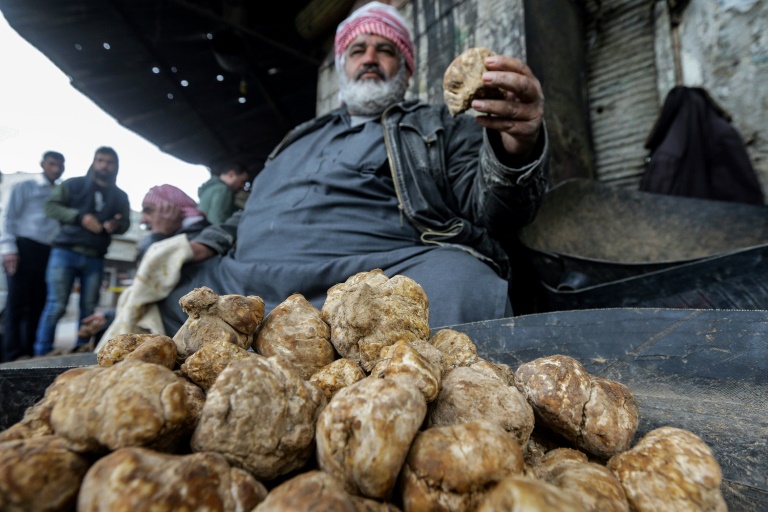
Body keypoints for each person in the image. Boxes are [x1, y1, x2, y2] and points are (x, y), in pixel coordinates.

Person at [157, 1, 548, 333]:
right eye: (358, 49)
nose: (370, 59)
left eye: (386, 49)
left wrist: (517, 146)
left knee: (465, 284)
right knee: (173, 286)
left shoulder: (438, 124)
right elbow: (252, 209)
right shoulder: (297, 136)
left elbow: (493, 209)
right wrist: (210, 241)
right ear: (344, 64)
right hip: (246, 280)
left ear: (406, 68)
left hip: (377, 280)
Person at [79, 184, 210, 344]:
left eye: (149, 210)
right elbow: (142, 292)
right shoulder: (174, 237)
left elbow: (158, 289)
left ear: (171, 210)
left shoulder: (198, 239)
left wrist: (158, 234)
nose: (143, 219)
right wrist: (108, 315)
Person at [33, 146, 131, 357]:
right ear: (94, 162)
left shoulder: (120, 196)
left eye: (109, 162)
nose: (105, 165)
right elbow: (51, 206)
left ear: (116, 166)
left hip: (95, 256)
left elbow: (126, 223)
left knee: (88, 309)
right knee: (55, 306)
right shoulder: (73, 185)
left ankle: (82, 353)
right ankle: (41, 354)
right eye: (101, 160)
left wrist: (116, 225)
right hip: (65, 252)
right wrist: (80, 217)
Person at [0, 151, 65, 362]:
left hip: (47, 252)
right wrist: (8, 248)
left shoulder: (60, 194)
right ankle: (10, 355)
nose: (56, 169)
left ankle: (28, 353)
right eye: (52, 164)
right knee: (16, 303)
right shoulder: (24, 186)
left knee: (38, 303)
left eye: (60, 165)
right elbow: (8, 216)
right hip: (22, 247)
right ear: (43, 164)